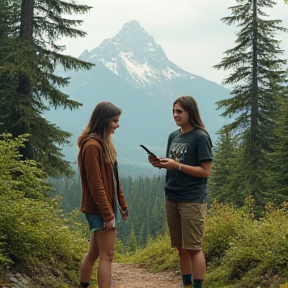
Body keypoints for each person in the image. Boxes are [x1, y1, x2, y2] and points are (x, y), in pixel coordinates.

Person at [148, 95, 213, 288]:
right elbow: (174, 164)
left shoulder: (201, 137)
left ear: (190, 112)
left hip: (192, 199)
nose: (175, 115)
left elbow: (205, 172)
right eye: (173, 111)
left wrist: (178, 165)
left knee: (194, 248)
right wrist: (161, 164)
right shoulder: (173, 136)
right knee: (180, 248)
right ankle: (186, 284)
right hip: (172, 196)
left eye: (179, 111)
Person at [77, 102, 129, 288]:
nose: (117, 125)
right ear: (104, 121)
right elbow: (95, 184)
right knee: (107, 255)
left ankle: (83, 285)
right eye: (115, 121)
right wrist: (108, 215)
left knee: (94, 253)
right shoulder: (92, 146)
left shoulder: (104, 144)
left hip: (105, 207)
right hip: (100, 209)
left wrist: (122, 204)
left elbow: (114, 179)